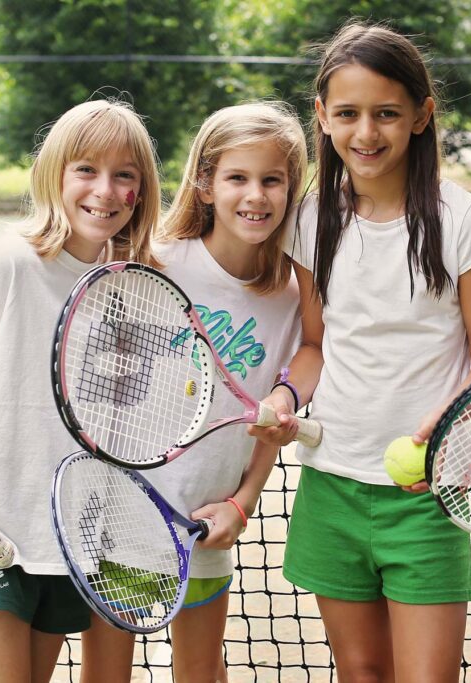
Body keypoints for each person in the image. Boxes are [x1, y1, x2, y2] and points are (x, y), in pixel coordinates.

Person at [249, 20, 471, 682]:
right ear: (322, 116)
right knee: (361, 671)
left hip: (427, 493)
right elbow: (314, 344)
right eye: (348, 113)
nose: (366, 133)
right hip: (332, 485)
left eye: (387, 113)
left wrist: (439, 426)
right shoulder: (310, 220)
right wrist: (284, 395)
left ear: (422, 116)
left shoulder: (462, 220)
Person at [0, 99, 162, 683]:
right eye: (86, 170)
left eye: (125, 175)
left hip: (65, 540)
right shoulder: (4, 264)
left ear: (140, 192)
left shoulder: (130, 284)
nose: (105, 189)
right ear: (54, 176)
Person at [78, 101, 307, 683]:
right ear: (205, 183)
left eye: (271, 180)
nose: (255, 195)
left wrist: (242, 502)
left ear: (291, 187)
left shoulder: (291, 295)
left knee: (201, 672)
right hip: (123, 518)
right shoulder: (151, 260)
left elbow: (266, 426)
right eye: (237, 177)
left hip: (206, 523)